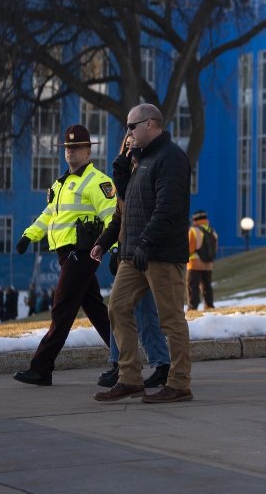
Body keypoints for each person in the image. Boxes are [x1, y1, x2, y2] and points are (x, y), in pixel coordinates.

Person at [92, 103, 192, 403]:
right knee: (117, 307)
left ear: (150, 124)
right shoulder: (141, 161)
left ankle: (179, 383)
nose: (128, 133)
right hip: (134, 254)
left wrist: (146, 242)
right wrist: (122, 167)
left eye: (132, 127)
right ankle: (130, 378)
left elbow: (168, 208)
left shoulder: (170, 158)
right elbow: (128, 210)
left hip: (160, 253)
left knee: (171, 318)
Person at [12, 124, 114, 386]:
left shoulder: (98, 181)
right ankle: (124, 360)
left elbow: (113, 218)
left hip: (83, 253)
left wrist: (115, 250)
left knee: (62, 307)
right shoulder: (61, 183)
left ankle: (41, 367)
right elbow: (49, 215)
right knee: (95, 310)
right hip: (66, 255)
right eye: (68, 148)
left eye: (77, 147)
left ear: (89, 151)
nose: (71, 152)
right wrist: (29, 235)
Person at [95, 134, 171, 390]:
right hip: (127, 255)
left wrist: (144, 245)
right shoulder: (125, 180)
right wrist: (103, 244)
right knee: (119, 308)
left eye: (133, 144)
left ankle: (159, 366)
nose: (129, 148)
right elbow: (119, 218)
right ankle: (123, 366)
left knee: (145, 312)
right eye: (125, 144)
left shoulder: (149, 174)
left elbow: (156, 214)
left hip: (147, 254)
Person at [187, 210, 218, 310]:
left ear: (195, 219)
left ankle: (193, 307)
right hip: (208, 264)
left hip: (195, 263)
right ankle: (209, 305)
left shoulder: (193, 230)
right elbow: (215, 248)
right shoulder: (212, 231)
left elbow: (190, 248)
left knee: (193, 285)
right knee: (207, 286)